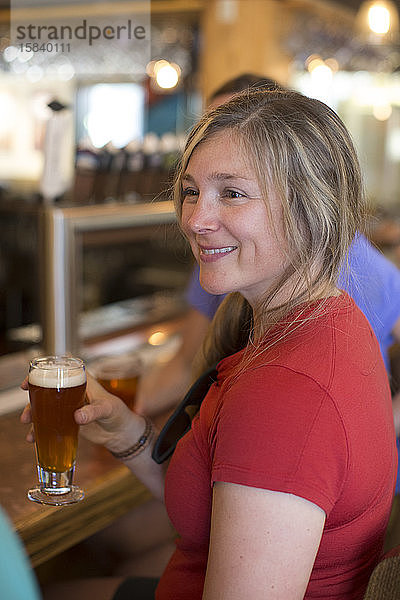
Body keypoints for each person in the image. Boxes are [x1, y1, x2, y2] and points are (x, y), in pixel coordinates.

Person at [23, 89, 397, 599]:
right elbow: (221, 494)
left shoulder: (286, 394)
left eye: (233, 194)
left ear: (313, 206)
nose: (196, 219)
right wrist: (126, 433)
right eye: (193, 191)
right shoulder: (326, 318)